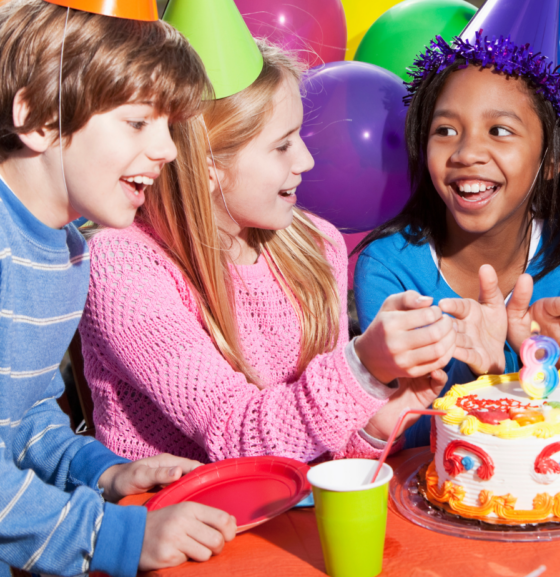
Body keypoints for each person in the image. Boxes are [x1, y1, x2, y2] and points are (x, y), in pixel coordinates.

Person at [79, 39, 457, 464]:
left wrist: (375, 424)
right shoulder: (123, 265)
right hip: (171, 517)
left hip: (285, 518)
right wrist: (362, 368)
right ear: (207, 167)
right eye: (283, 145)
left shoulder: (315, 245)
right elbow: (237, 439)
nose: (307, 160)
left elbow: (318, 455)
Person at [0, 1, 237, 574]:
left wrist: (103, 472)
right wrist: (111, 534)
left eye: (169, 126)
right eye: (137, 122)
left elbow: (21, 419)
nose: (168, 150)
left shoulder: (67, 254)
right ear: (38, 118)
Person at [355, 33, 560, 448]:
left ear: (549, 162)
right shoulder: (389, 268)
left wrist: (541, 364)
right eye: (445, 130)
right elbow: (402, 431)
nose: (466, 152)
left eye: (498, 130)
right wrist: (487, 371)